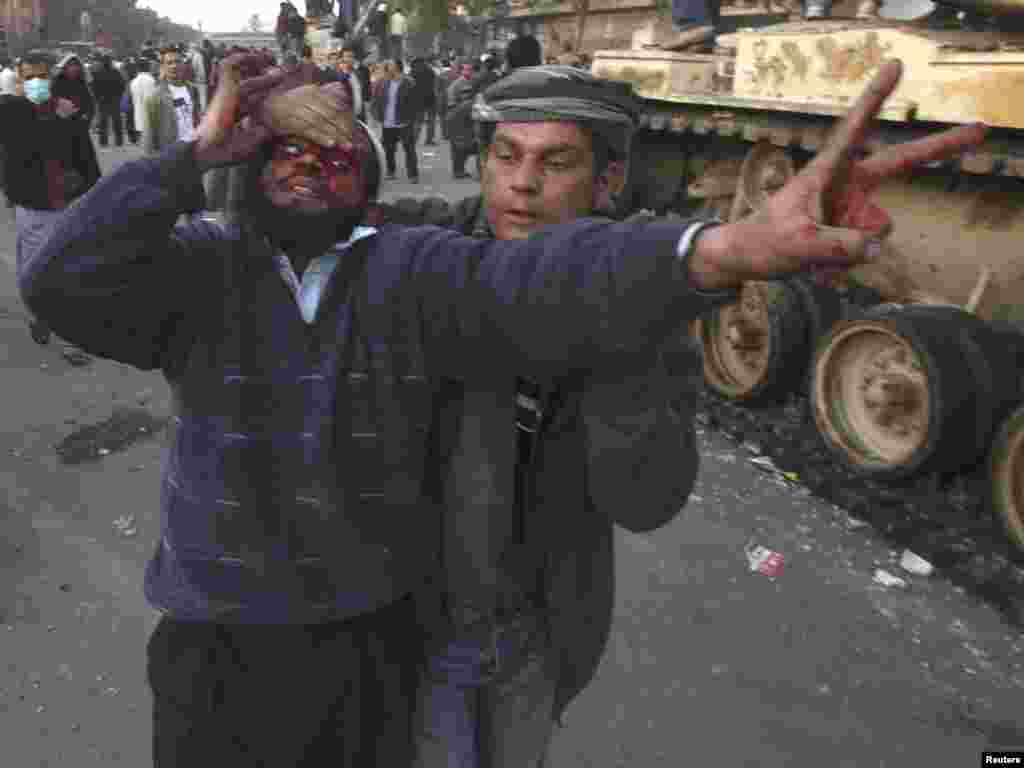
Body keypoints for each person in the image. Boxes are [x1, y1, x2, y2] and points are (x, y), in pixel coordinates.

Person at [18, 53, 984, 767]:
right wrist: (190, 157)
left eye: (556, 163)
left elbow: (639, 482)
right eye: (506, 156)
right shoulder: (373, 257)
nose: (522, 183)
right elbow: (60, 275)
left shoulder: (494, 279)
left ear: (609, 181)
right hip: (331, 631)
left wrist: (690, 273)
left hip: (498, 638)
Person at [2, 51, 101, 346]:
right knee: (35, 260)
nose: (36, 83)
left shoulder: (66, 110)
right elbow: (23, 147)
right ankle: (41, 315)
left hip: (69, 200)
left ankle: (60, 314)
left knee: (67, 259)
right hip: (33, 202)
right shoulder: (11, 110)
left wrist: (93, 188)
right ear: (19, 79)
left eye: (42, 76)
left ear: (51, 77)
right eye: (29, 77)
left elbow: (84, 152)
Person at [144, 46, 201, 155]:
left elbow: (197, 117)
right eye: (169, 63)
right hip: (170, 154)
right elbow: (149, 131)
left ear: (183, 65)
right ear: (163, 67)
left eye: (177, 62)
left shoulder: (192, 90)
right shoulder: (155, 96)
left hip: (192, 150)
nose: (174, 66)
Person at [371, 58, 419, 182]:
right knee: (389, 149)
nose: (387, 67)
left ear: (398, 68)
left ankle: (413, 175)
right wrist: (377, 116)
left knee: (409, 149)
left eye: (390, 65)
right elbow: (377, 100)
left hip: (404, 122)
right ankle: (391, 171)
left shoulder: (409, 83)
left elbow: (415, 103)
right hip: (388, 122)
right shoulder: (384, 83)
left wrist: (412, 120)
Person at [446, 60, 477, 180]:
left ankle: (459, 170)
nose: (468, 72)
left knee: (462, 146)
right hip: (458, 118)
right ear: (462, 71)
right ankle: (458, 171)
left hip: (466, 118)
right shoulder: (457, 84)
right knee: (458, 146)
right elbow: (451, 102)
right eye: (466, 69)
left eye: (470, 69)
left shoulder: (473, 82)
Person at [91, 55, 127, 149]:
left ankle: (103, 141)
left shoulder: (97, 73)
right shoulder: (116, 72)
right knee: (116, 121)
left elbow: (94, 87)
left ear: (102, 62)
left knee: (103, 121)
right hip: (114, 99)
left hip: (103, 100)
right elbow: (122, 85)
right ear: (110, 62)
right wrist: (118, 96)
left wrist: (98, 97)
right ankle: (119, 141)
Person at [130, 58, 158, 149]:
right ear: (148, 67)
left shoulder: (134, 82)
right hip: (151, 115)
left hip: (138, 114)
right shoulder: (151, 80)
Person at [410, 57, 437, 146]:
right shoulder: (430, 71)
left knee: (418, 121)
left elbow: (410, 86)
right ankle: (429, 139)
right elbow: (434, 83)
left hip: (418, 99)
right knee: (431, 120)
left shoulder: (412, 72)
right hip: (430, 97)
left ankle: (414, 139)